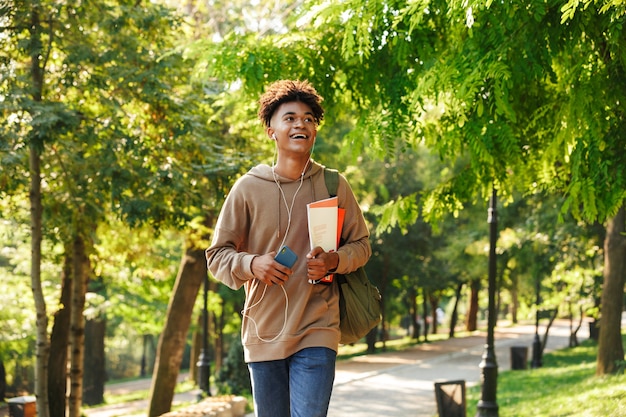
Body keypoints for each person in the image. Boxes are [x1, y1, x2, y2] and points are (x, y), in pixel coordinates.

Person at [205, 79, 371, 417]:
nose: (301, 124)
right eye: (291, 118)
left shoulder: (333, 184)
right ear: (272, 131)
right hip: (263, 332)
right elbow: (216, 255)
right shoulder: (248, 188)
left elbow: (362, 245)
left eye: (309, 119)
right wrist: (253, 264)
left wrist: (335, 261)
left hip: (317, 327)